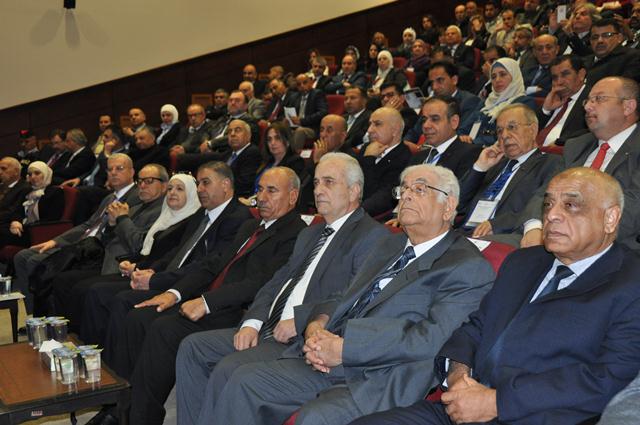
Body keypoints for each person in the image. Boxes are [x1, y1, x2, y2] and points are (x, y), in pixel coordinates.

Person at [206, 164, 495, 425]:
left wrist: (345, 349)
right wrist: (316, 324)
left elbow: (431, 338)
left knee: (313, 418)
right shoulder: (390, 245)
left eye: (419, 190)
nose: (406, 196)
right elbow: (345, 295)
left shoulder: (466, 266)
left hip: (379, 376)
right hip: (330, 356)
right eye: (403, 189)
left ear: (448, 206)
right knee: (244, 380)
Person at [353, 167, 640, 425]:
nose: (551, 215)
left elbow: (609, 377)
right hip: (462, 406)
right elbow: (475, 327)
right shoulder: (523, 262)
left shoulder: (631, 283)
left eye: (571, 205)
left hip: (536, 415)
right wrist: (458, 377)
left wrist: (496, 402)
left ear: (610, 218)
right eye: (548, 204)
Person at [155, 154, 387, 425]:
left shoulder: (372, 236)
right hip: (269, 326)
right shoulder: (311, 233)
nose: (318, 190)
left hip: (301, 339)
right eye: (316, 183)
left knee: (231, 371)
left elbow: (352, 298)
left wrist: (300, 321)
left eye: (329, 182)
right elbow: (276, 282)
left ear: (354, 190)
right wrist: (252, 322)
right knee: (194, 347)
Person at [86, 167, 306, 425]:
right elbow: (212, 264)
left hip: (239, 310)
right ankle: (120, 407)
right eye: (260, 190)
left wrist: (206, 302)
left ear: (293, 196)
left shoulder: (296, 233)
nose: (262, 197)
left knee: (163, 329)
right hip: (211, 299)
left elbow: (260, 283)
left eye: (272, 191)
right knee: (138, 317)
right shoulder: (251, 226)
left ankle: (140, 418)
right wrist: (173, 294)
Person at [80, 162, 252, 348]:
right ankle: (96, 356)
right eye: (198, 183)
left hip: (193, 288)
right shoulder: (203, 212)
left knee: (126, 305)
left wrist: (156, 280)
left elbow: (209, 265)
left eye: (206, 182)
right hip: (170, 277)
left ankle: (111, 363)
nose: (199, 189)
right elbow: (177, 251)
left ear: (225, 184)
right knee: (100, 292)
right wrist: (151, 270)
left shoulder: (238, 218)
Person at [520, 76, 640, 251]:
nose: (588, 106)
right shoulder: (576, 146)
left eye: (599, 99)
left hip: (612, 249)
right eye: (588, 100)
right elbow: (544, 193)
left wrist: (569, 233)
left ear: (628, 107)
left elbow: (632, 212)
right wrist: (534, 227)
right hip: (552, 235)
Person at [51, 164, 167, 320]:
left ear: (164, 185)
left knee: (82, 288)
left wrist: (122, 218)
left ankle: (75, 331)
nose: (142, 185)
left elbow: (138, 245)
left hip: (124, 265)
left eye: (149, 181)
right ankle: (62, 328)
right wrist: (111, 225)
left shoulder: (162, 211)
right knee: (62, 278)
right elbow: (107, 240)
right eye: (140, 181)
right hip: (106, 259)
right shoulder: (136, 207)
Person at [456, 104, 563, 242]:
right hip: (464, 233)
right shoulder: (494, 163)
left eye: (512, 127)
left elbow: (541, 206)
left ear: (533, 130)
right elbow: (457, 204)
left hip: (502, 237)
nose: (504, 135)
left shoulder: (550, 164)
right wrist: (480, 168)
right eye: (499, 131)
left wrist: (497, 224)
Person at [462, 57, 536, 145]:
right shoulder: (486, 103)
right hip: (471, 147)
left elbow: (507, 135)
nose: (497, 80)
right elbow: (463, 129)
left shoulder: (524, 103)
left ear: (514, 76)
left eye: (503, 74)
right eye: (493, 77)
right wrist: (463, 138)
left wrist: (473, 142)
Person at [409, 96, 481, 180]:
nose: (426, 125)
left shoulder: (469, 154)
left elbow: (460, 187)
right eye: (424, 120)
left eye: (435, 119)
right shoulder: (418, 157)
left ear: (454, 122)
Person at [357, 107, 412, 218]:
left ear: (395, 130)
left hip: (370, 217)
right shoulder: (366, 148)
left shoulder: (404, 158)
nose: (369, 130)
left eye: (377, 124)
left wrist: (369, 159)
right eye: (370, 124)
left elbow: (382, 199)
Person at [1, 162, 64, 249]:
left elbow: (52, 219)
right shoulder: (27, 191)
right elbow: (17, 211)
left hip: (38, 231)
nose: (33, 177)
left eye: (37, 173)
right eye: (30, 174)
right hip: (22, 228)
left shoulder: (55, 192)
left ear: (46, 174)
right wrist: (15, 222)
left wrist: (24, 226)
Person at [535, 55, 588, 147]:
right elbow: (530, 130)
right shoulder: (554, 98)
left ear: (581, 74)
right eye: (555, 77)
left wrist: (559, 142)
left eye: (565, 74)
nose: (559, 82)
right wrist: (546, 110)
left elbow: (590, 132)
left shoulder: (592, 99)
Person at [245, 122, 304, 200]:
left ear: (287, 141)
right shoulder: (266, 162)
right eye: (269, 139)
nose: (272, 143)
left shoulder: (295, 162)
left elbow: (284, 194)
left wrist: (252, 201)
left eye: (277, 138)